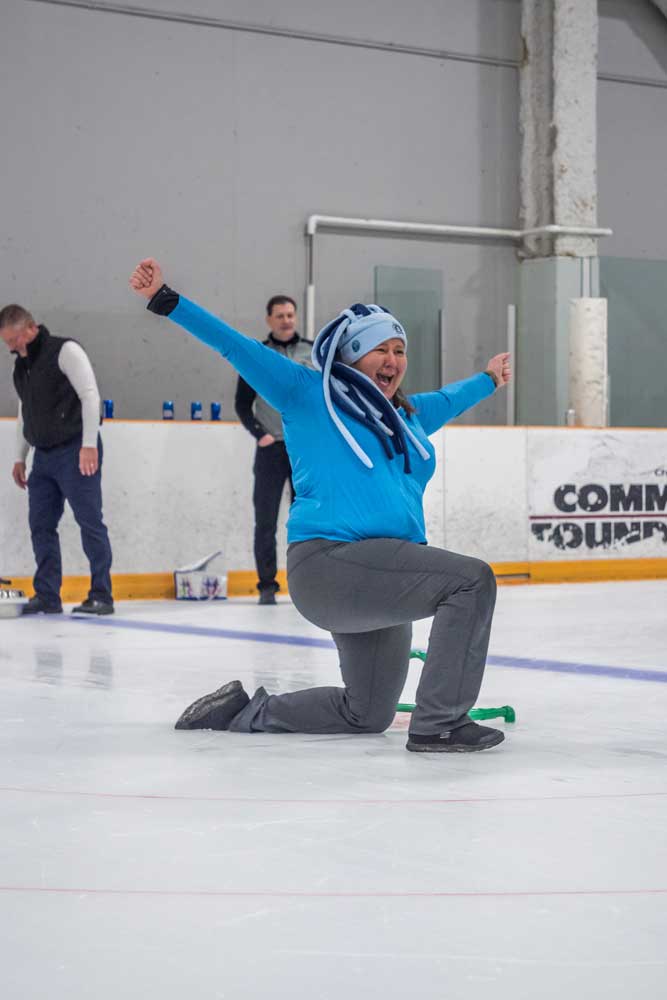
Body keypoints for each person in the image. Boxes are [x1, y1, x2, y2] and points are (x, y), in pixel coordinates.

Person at [130, 258, 511, 753]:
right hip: (331, 565)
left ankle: (243, 712)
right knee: (470, 581)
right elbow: (233, 345)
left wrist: (488, 379)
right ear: (352, 354)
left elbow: (449, 397)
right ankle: (440, 723)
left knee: (366, 713)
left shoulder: (404, 417)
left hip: (381, 573)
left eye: (400, 350)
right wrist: (167, 299)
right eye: (381, 349)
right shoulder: (307, 394)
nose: (394, 360)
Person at [0, 304, 114, 616]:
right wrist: (19, 457)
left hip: (76, 449)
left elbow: (90, 395)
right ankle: (48, 595)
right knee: (41, 525)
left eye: (14, 340)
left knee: (90, 522)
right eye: (7, 343)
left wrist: (89, 444)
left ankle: (102, 594)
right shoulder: (20, 368)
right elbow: (26, 412)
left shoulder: (65, 351)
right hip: (44, 457)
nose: (11, 347)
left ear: (30, 328)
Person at [234, 295, 313, 605]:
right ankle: (267, 585)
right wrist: (259, 434)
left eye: (290, 314)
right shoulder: (258, 355)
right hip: (270, 449)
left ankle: (305, 582)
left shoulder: (311, 352)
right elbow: (242, 404)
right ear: (269, 320)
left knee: (305, 518)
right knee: (265, 519)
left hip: (304, 451)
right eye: (280, 315)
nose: (286, 320)